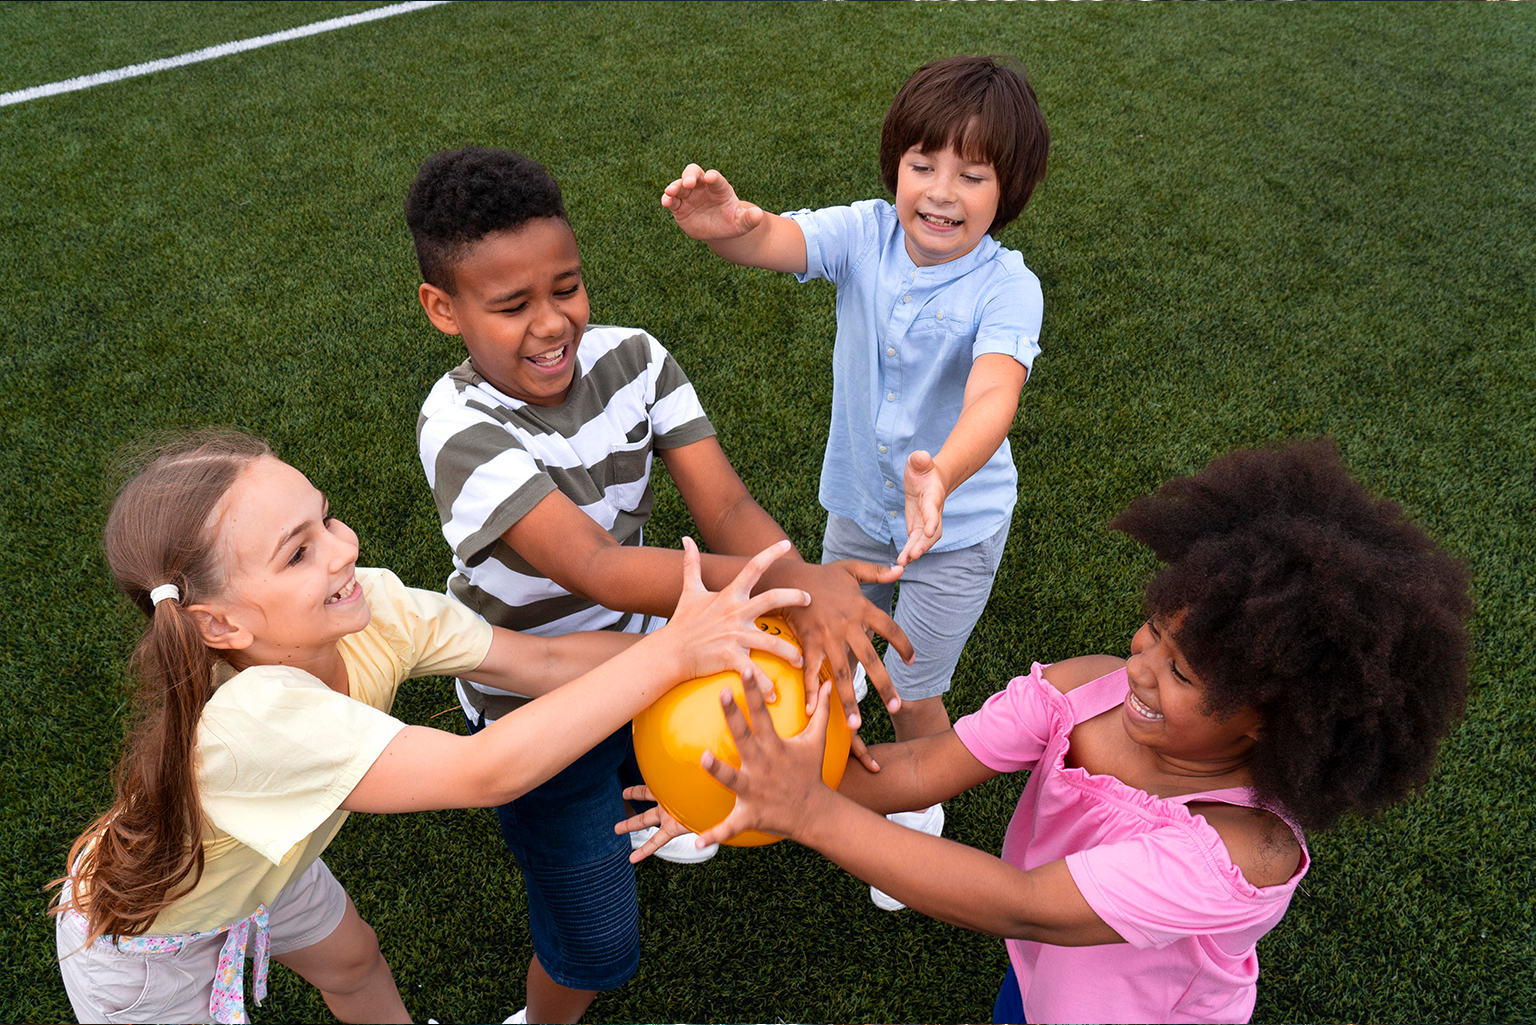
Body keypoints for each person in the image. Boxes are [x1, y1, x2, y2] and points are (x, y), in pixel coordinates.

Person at [623, 439, 1473, 1024]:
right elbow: (921, 767)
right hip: (1039, 984)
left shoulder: (1239, 854)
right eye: (1153, 631)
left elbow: (1023, 903)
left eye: (1182, 673)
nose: (1140, 665)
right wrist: (752, 785)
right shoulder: (1083, 689)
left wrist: (807, 809)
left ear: (1279, 724)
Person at [50, 431, 808, 1025]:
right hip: (143, 941)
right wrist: (674, 650)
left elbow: (542, 663)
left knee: (354, 962)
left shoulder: (372, 607)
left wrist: (704, 650)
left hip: (262, 865)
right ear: (219, 623)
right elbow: (488, 770)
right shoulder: (255, 722)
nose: (346, 548)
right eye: (300, 552)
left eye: (326, 518)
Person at [403, 146, 912, 1021]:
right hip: (535, 702)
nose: (552, 322)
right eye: (511, 305)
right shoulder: (457, 426)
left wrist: (793, 584)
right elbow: (592, 566)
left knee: (701, 773)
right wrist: (788, 584)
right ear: (443, 309)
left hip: (664, 656)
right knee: (596, 946)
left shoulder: (636, 358)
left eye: (565, 286)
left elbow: (726, 502)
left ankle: (662, 781)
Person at [661, 55, 1051, 901]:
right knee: (822, 649)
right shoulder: (866, 233)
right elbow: (775, 237)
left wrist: (940, 472)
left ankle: (913, 810)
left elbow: (994, 392)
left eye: (971, 174)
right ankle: (762, 779)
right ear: (895, 167)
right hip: (860, 513)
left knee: (912, 688)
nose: (940, 192)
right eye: (923, 165)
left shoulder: (1009, 288)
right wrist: (727, 223)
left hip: (956, 526)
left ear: (1008, 188)